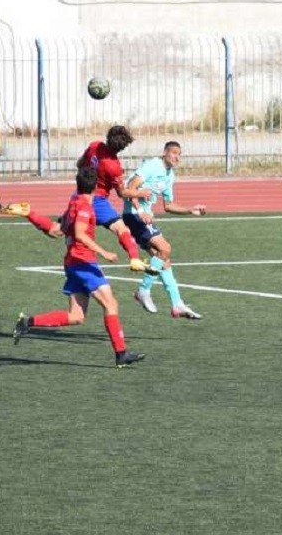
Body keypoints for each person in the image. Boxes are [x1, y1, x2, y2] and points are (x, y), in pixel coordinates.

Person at [11, 167, 146, 368]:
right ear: (96, 187)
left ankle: (27, 322)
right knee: (110, 304)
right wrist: (104, 252)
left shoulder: (73, 204)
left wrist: (30, 214)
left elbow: (55, 230)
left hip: (73, 263)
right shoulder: (84, 207)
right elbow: (81, 234)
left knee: (77, 316)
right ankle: (121, 354)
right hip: (83, 262)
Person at [123, 141, 207, 319]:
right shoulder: (152, 165)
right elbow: (130, 188)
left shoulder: (170, 175)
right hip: (134, 215)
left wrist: (190, 210)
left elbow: (168, 205)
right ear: (165, 152)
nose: (177, 157)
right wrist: (141, 211)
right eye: (174, 153)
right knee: (165, 248)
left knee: (164, 260)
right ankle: (143, 290)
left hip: (145, 217)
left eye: (179, 154)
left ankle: (177, 304)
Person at [76, 125, 158, 274]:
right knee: (122, 229)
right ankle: (134, 259)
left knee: (67, 229)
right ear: (123, 147)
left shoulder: (94, 145)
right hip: (97, 201)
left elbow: (79, 164)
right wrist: (141, 193)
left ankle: (30, 214)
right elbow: (122, 193)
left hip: (79, 195)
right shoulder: (114, 166)